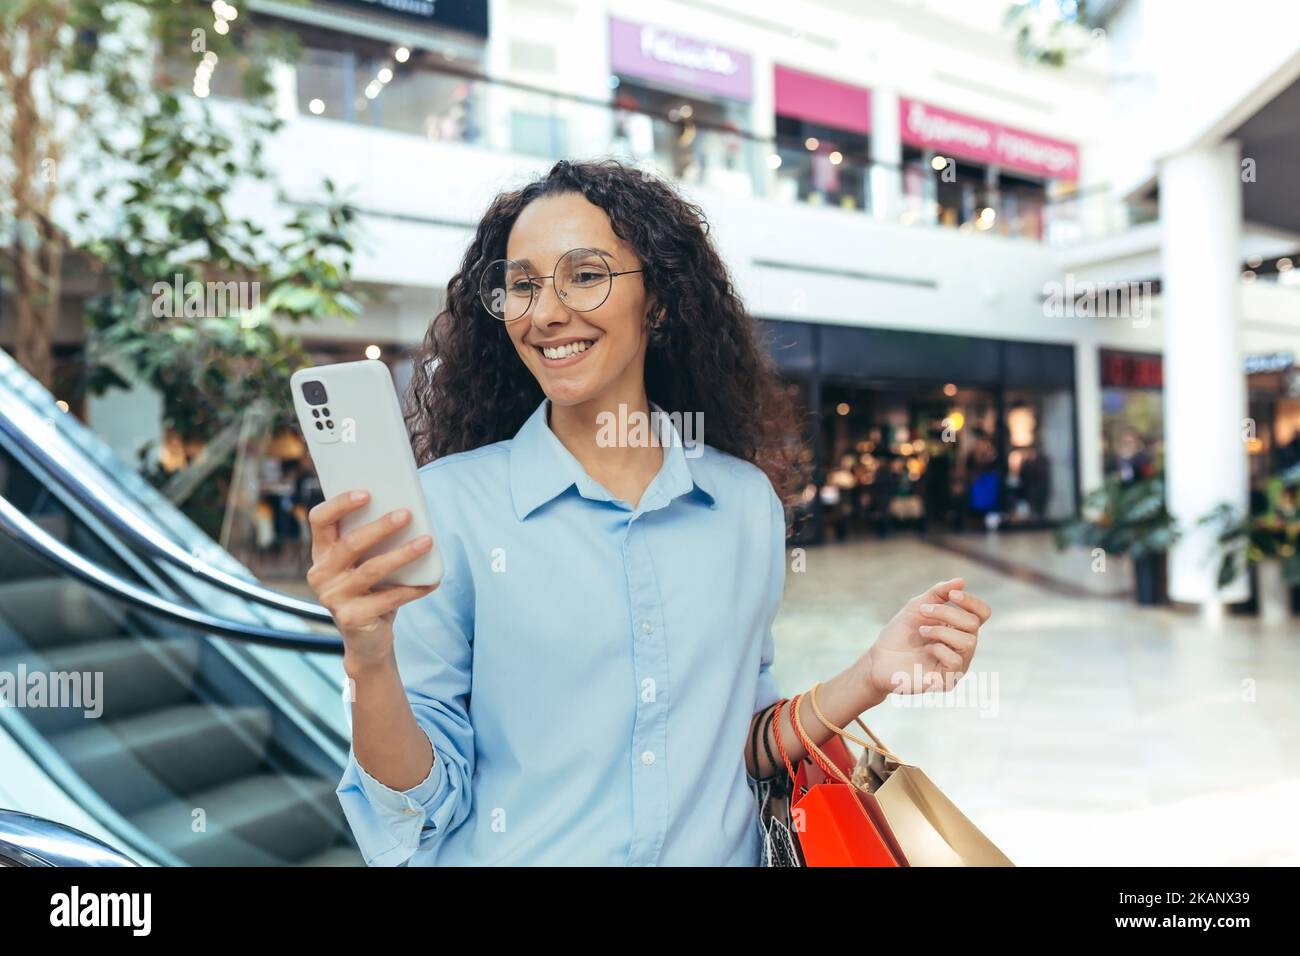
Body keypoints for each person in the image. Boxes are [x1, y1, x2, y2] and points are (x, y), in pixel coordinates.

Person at [304, 159, 992, 866]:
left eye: (584, 274)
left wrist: (872, 674)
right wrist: (371, 656)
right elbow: (420, 810)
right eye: (522, 285)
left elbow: (739, 746)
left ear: (658, 302)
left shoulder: (743, 504)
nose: (544, 312)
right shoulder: (451, 508)